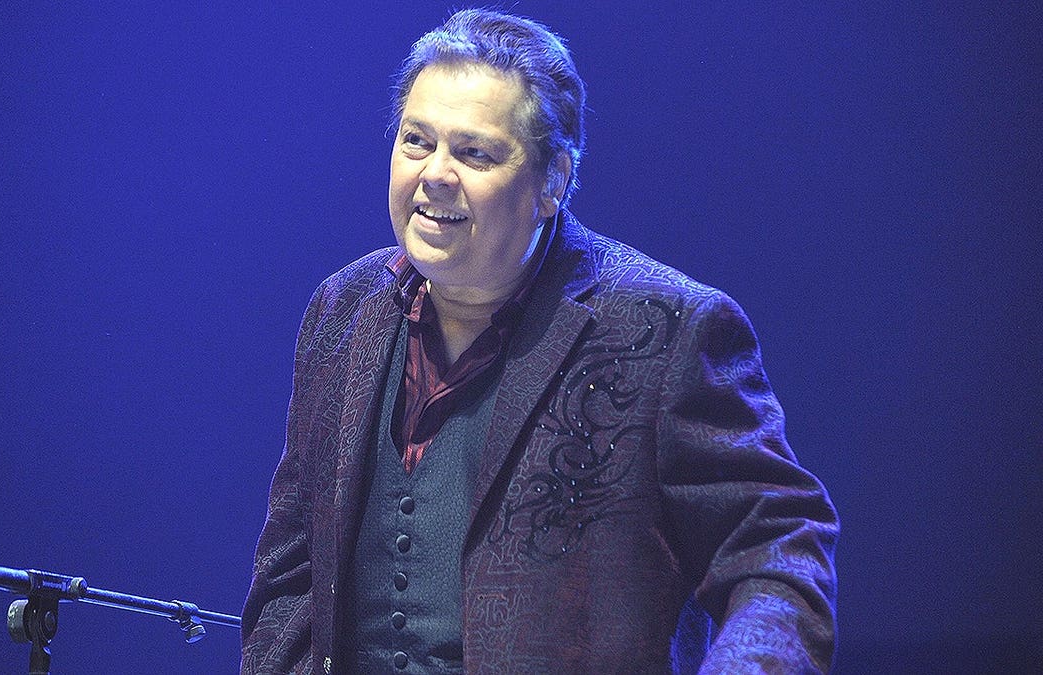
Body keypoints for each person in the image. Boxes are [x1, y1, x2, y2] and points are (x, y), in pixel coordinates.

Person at [240, 9, 838, 674]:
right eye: (417, 141)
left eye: (475, 153)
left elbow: (776, 553)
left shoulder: (667, 330)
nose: (435, 173)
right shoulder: (341, 309)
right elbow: (290, 574)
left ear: (553, 180)